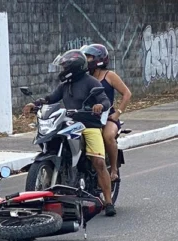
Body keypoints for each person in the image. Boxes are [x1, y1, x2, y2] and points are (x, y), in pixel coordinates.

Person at [22, 49, 116, 216]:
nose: (62, 70)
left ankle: (108, 202)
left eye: (65, 66)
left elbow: (105, 100)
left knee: (98, 162)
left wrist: (100, 106)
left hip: (89, 125)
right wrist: (35, 103)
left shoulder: (91, 82)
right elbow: (50, 98)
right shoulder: (65, 84)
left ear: (74, 67)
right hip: (70, 123)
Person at [81, 43, 131, 183]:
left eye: (89, 57)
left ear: (99, 59)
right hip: (88, 117)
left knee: (107, 136)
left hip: (107, 116)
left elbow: (127, 94)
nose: (86, 60)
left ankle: (113, 169)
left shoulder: (110, 76)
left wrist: (117, 113)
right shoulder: (84, 77)